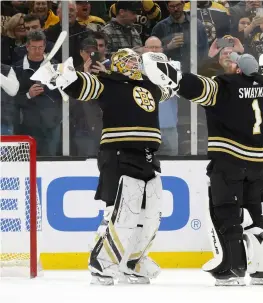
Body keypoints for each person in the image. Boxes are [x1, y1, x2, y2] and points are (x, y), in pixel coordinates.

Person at [142, 40, 263, 286]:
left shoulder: (224, 86)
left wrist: (171, 73)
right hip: (256, 163)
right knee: (254, 215)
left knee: (226, 215)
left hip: (229, 162)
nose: (229, 62)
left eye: (233, 61)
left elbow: (193, 86)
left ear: (238, 69)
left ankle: (232, 268)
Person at [31, 48, 173, 285]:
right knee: (118, 212)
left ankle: (133, 261)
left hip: (148, 156)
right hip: (117, 154)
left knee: (150, 214)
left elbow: (171, 86)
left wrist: (168, 70)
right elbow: (80, 85)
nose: (134, 64)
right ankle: (102, 264)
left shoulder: (150, 86)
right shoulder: (109, 83)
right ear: (117, 65)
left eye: (135, 60)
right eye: (128, 61)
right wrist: (60, 74)